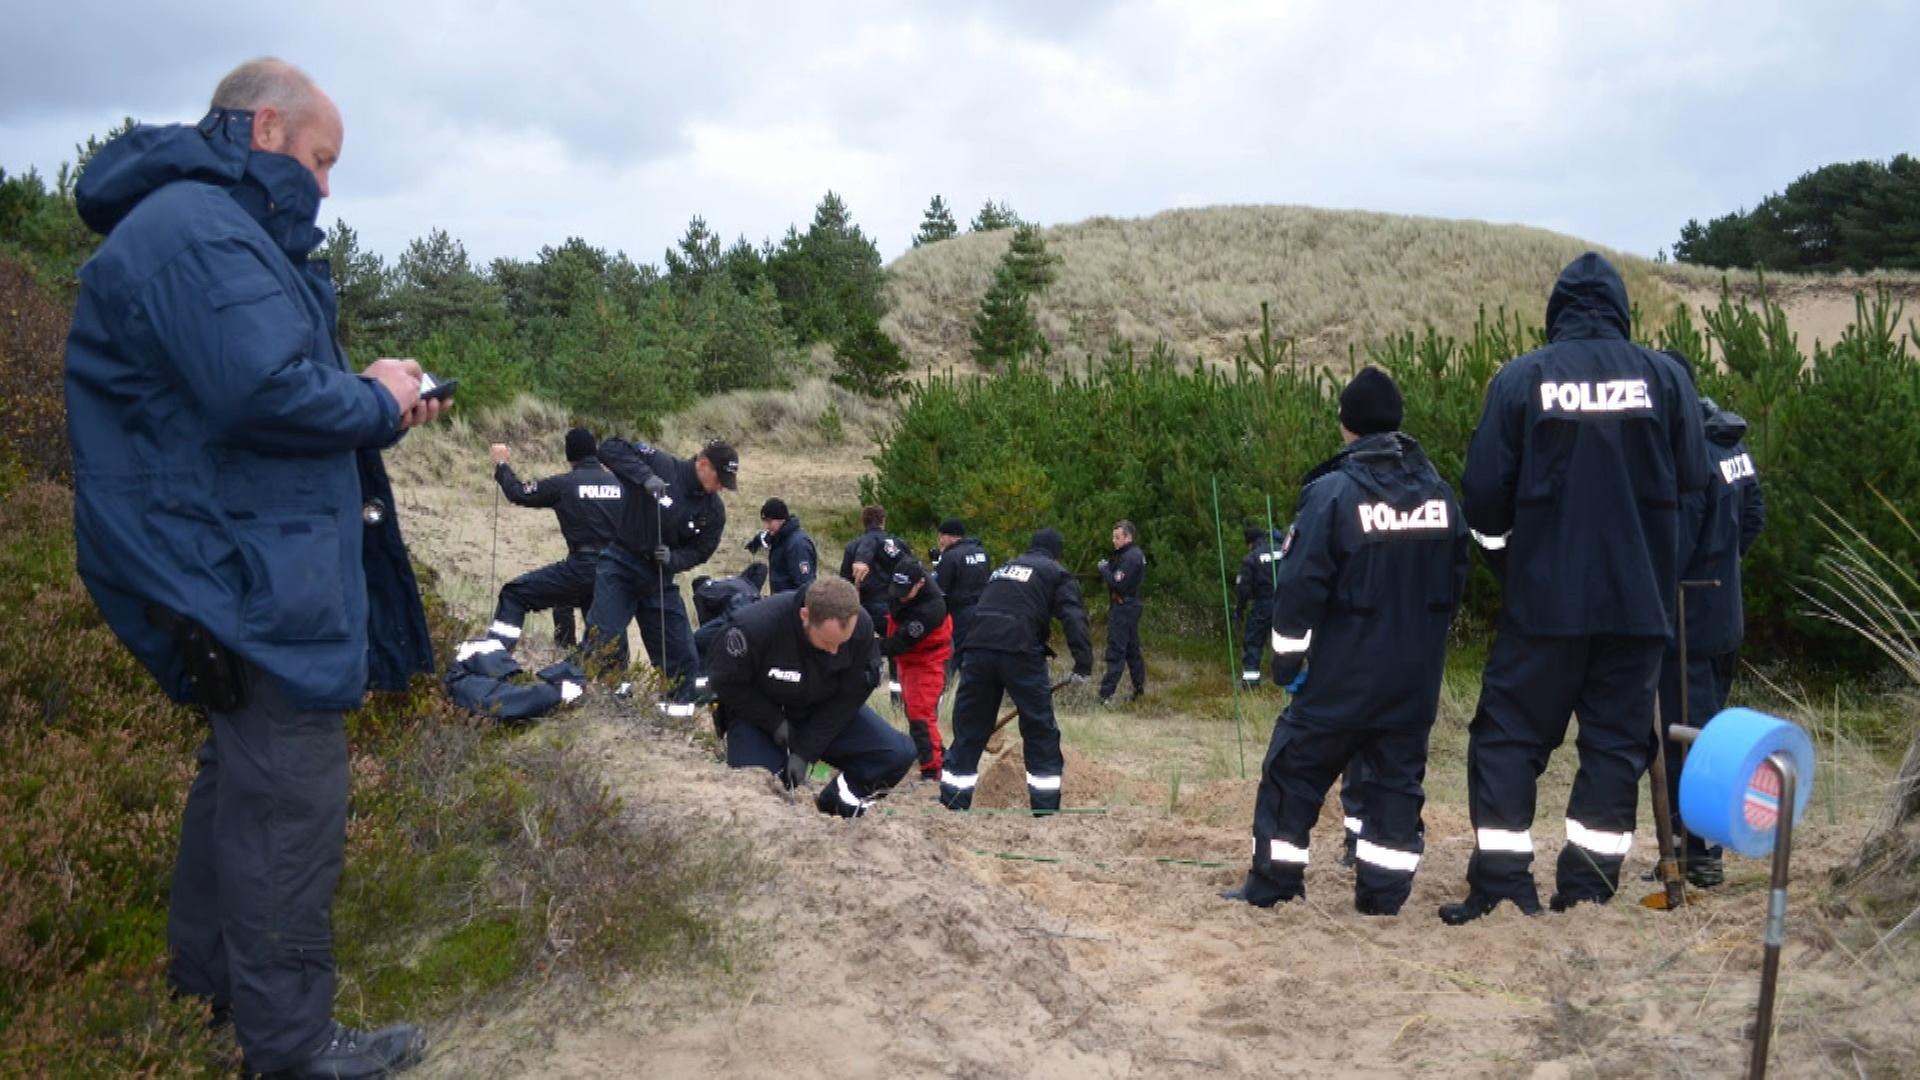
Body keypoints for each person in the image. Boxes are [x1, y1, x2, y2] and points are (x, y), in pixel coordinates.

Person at [63, 58, 436, 1078]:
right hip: (241, 576)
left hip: (232, 559)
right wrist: (373, 399)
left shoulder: (212, 229)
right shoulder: (198, 233)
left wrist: (377, 400)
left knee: (239, 783)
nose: (324, 188)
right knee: (288, 807)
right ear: (266, 130)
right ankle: (291, 1047)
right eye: (321, 160)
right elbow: (268, 393)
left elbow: (253, 395)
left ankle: (207, 988)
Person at [1442, 252, 1710, 925]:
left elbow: (1481, 498)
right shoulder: (1667, 379)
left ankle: (1503, 886)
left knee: (1507, 741)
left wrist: (1512, 565)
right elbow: (1695, 481)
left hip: (1544, 608)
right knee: (1615, 752)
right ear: (1622, 311)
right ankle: (1588, 891)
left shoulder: (1522, 380)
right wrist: (1658, 565)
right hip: (1637, 613)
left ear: (1557, 312)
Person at [1220, 368, 1468, 914]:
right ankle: (1382, 900)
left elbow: (1301, 589)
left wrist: (1286, 665)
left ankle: (1274, 886)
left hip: (1343, 678)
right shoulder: (1441, 494)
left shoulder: (1332, 494)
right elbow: (1455, 582)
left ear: (1346, 426)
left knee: (1292, 774)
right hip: (1413, 682)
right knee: (1394, 790)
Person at [1653, 349, 1766, 889]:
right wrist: (1724, 570)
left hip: (1686, 626)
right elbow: (1753, 520)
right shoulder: (1732, 444)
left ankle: (1697, 851)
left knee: (1686, 739)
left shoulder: (1688, 457)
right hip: (1724, 617)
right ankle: (1694, 845)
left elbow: (1676, 548)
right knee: (1708, 729)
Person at [705, 577, 915, 816]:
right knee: (759, 790)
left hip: (820, 712)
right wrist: (775, 723)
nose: (835, 651)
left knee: (897, 753)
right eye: (827, 642)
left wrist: (805, 751)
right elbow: (727, 682)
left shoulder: (861, 630)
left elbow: (849, 698)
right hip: (760, 717)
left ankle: (836, 810)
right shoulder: (756, 627)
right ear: (805, 616)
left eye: (841, 644)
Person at [939, 528, 1094, 815]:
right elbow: (1074, 616)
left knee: (970, 726)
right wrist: (1083, 664)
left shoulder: (1004, 568)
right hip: (1019, 650)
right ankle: (1045, 810)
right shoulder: (1055, 572)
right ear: (1056, 553)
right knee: (1038, 728)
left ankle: (952, 802)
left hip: (978, 647)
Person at [579, 437, 736, 717]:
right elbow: (610, 447)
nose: (721, 486)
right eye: (719, 478)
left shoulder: (713, 511)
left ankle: (675, 717)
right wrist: (645, 477)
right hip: (621, 564)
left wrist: (674, 559)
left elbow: (701, 551)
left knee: (682, 652)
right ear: (702, 464)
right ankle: (606, 704)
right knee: (604, 636)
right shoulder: (664, 465)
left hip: (659, 579)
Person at [485, 428, 621, 649]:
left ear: (569, 456)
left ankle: (494, 658)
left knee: (514, 594)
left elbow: (518, 492)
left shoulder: (565, 483)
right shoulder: (620, 485)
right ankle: (608, 676)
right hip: (615, 573)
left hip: (582, 567)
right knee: (602, 637)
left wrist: (502, 466)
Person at [879, 556, 953, 779]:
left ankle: (933, 769)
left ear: (920, 584)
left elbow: (900, 643)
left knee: (921, 714)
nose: (899, 596)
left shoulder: (932, 608)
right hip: (908, 661)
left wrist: (869, 647)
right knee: (913, 711)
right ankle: (939, 754)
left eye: (905, 592)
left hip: (928, 661)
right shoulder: (901, 587)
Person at [843, 505, 908, 699]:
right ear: (883, 521)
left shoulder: (853, 547)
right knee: (897, 654)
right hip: (892, 607)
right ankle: (897, 700)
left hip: (863, 608)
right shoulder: (897, 545)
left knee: (860, 650)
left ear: (864, 522)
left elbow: (844, 581)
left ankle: (859, 691)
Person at [1096, 520, 1148, 705]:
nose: (1114, 541)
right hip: (1128, 606)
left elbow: (1118, 583)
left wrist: (1103, 570)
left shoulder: (1131, 557)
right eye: (1113, 537)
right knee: (1132, 650)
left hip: (1124, 608)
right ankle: (1139, 690)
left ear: (1128, 537)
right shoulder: (1127, 555)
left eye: (1117, 537)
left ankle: (1105, 696)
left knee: (1116, 651)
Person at [931, 518, 992, 668]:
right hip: (984, 610)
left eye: (941, 537)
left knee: (955, 654)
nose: (940, 542)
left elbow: (937, 589)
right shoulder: (982, 553)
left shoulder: (951, 557)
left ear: (950, 536)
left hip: (960, 613)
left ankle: (952, 687)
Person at [1234, 524, 1285, 688]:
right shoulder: (1281, 549)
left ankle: (1250, 681)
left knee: (1254, 641)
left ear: (1250, 543)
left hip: (1264, 603)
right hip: (1286, 601)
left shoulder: (1251, 558)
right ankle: (1289, 678)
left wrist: (1239, 611)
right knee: (1287, 640)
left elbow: (1243, 590)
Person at [690, 562, 771, 662]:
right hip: (757, 604)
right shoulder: (735, 580)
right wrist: (755, 590)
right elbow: (761, 566)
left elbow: (705, 622)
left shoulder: (700, 592)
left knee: (698, 640)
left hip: (738, 606)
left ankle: (703, 675)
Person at [744, 497, 818, 594]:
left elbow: (805, 584)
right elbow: (762, 537)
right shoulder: (778, 537)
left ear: (781, 520)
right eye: (765, 522)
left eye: (769, 521)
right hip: (781, 602)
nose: (766, 526)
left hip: (792, 605)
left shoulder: (798, 545)